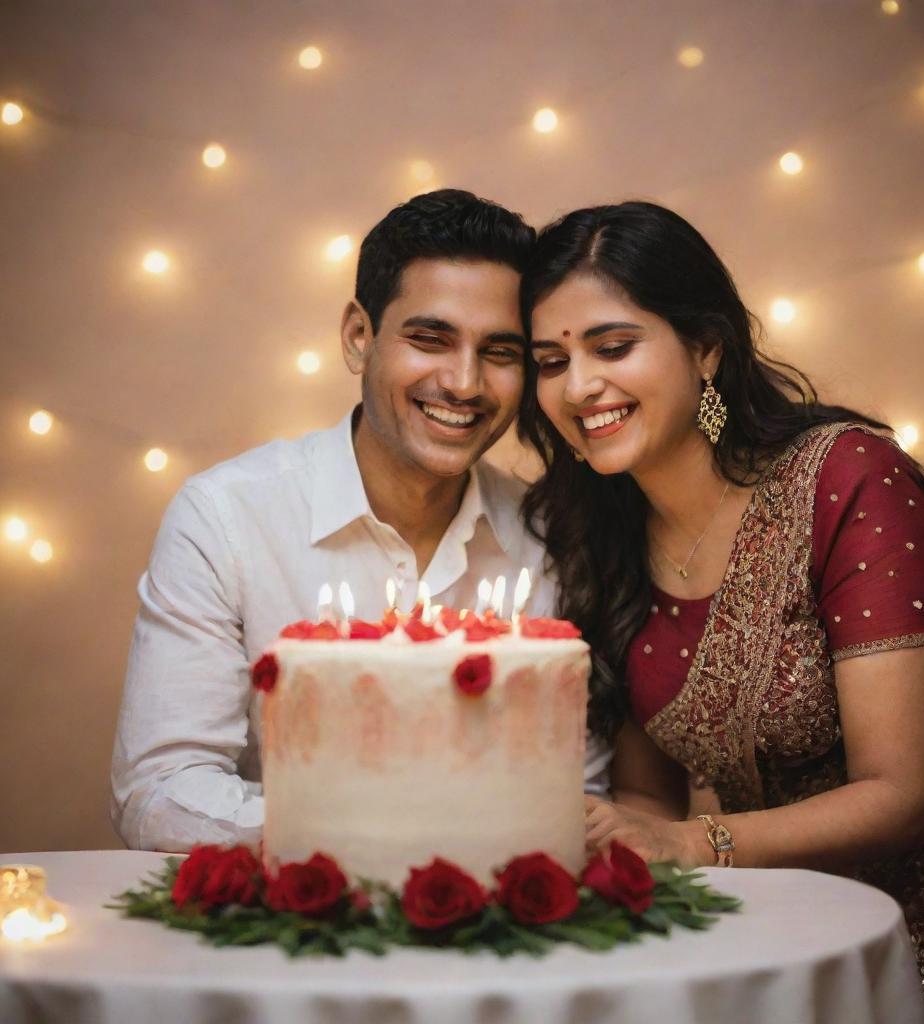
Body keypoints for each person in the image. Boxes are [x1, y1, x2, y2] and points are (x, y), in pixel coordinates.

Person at [518, 201, 924, 1024]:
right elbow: (652, 798)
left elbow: (901, 791)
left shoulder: (848, 479)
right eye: (549, 361)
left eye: (613, 346)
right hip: (794, 901)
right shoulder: (600, 529)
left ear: (706, 347)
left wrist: (692, 845)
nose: (579, 386)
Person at [111, 189, 611, 854]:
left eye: (499, 351)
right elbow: (161, 790)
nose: (464, 383)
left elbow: (579, 792)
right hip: (288, 935)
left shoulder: (548, 537)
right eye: (430, 338)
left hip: (499, 939)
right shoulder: (227, 518)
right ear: (358, 336)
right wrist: (383, 836)